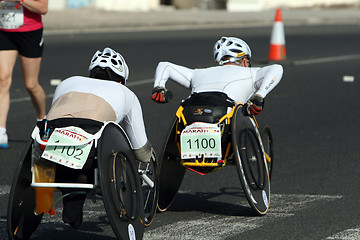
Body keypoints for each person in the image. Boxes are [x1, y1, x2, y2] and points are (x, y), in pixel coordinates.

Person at [40, 47, 152, 228]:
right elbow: (139, 148)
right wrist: (146, 157)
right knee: (110, 145)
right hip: (92, 149)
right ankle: (82, 183)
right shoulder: (126, 93)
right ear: (121, 80)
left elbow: (54, 117)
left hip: (53, 142)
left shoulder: (67, 82)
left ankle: (71, 195)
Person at [151, 36, 283, 115]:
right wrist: (260, 95)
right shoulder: (251, 72)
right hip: (224, 109)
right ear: (244, 60)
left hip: (191, 108)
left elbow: (165, 66)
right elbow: (277, 68)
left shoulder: (199, 72)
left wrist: (159, 87)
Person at [0, 0, 48, 149]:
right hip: (5, 31)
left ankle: (42, 118)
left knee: (31, 85)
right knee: (2, 79)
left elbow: (43, 8)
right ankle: (1, 131)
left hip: (30, 32)